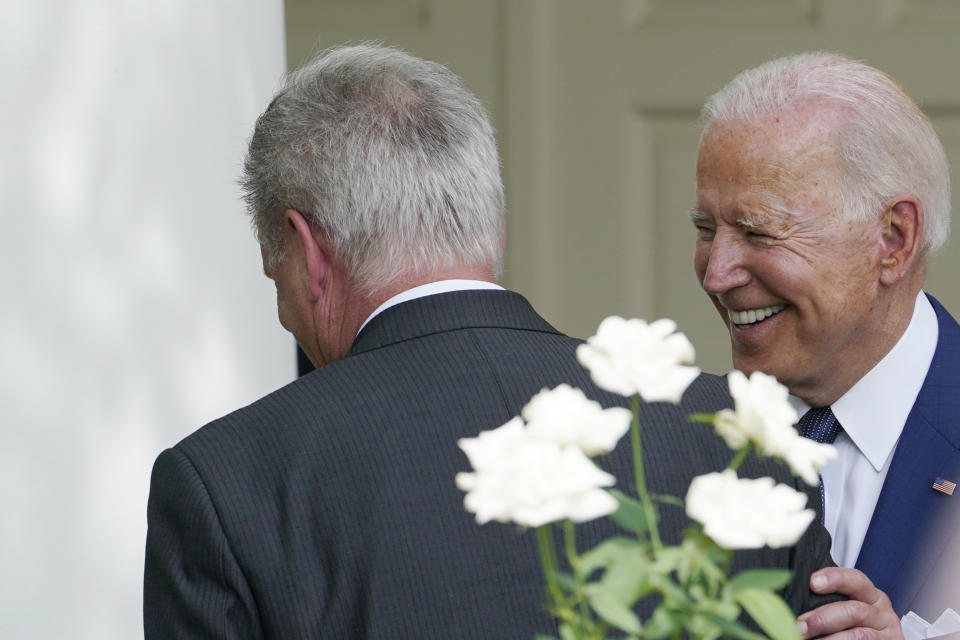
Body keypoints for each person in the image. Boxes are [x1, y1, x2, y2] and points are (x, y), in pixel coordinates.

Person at [144, 44, 862, 639]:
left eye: (276, 278)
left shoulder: (227, 485)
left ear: (306, 254)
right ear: (493, 226)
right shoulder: (737, 438)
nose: (284, 311)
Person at [693, 51, 960, 624]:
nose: (716, 274)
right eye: (706, 229)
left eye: (758, 232)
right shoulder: (667, 442)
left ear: (892, 239)